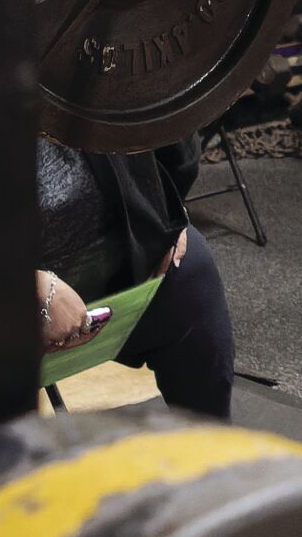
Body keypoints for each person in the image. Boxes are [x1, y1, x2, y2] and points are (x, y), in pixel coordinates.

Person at [37, 137, 235, 420]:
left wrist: (167, 207)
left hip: (114, 240)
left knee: (191, 273)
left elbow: (172, 124)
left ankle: (210, 449)